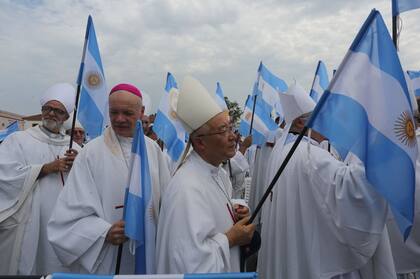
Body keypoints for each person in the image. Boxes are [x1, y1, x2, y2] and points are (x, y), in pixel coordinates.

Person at [257, 83, 395, 279]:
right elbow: (355, 191)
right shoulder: (312, 157)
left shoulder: (281, 152)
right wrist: (371, 144)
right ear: (299, 124)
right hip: (312, 255)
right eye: (321, 119)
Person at [47, 83, 171, 274]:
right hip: (109, 257)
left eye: (127, 113)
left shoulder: (154, 150)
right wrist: (103, 232)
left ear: (141, 112)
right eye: (114, 112)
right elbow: (67, 215)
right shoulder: (91, 153)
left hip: (148, 251)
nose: (119, 119)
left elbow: (166, 201)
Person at [156, 76, 256, 273]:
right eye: (222, 130)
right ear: (200, 142)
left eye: (231, 127)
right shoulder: (187, 188)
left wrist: (235, 215)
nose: (233, 136)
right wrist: (231, 238)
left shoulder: (218, 173)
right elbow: (190, 263)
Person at [0, 83, 80, 275]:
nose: (52, 114)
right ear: (42, 110)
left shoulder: (76, 150)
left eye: (58, 111)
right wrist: (45, 169)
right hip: (28, 217)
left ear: (67, 117)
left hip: (62, 220)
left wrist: (79, 165)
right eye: (48, 109)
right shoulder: (18, 140)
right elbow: (5, 175)